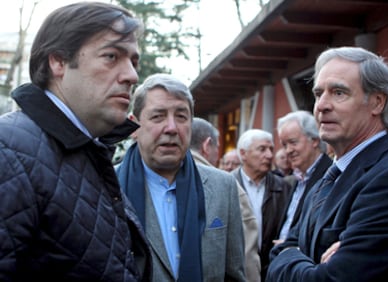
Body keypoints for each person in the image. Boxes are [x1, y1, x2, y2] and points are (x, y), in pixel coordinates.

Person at [0, 2, 152, 281]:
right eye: (111, 56)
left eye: (133, 61)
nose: (132, 75)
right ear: (57, 62)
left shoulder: (89, 151)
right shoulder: (9, 150)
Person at [266, 46, 388, 281]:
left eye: (338, 92)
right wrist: (294, 255)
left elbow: (332, 278)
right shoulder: (327, 178)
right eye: (318, 94)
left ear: (377, 102)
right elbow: (277, 253)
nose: (321, 105)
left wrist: (291, 254)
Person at [116, 73, 245, 281]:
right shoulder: (106, 185)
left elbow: (234, 275)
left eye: (181, 117)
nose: (172, 128)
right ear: (134, 126)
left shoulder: (224, 186)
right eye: (158, 116)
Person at [190, 117, 261, 282]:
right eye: (218, 148)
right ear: (207, 146)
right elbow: (246, 256)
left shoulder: (158, 178)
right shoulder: (227, 185)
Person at [231, 129, 292, 281]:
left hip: (273, 270)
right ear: (243, 154)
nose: (269, 155)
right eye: (262, 149)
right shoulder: (227, 185)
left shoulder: (284, 188)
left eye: (271, 149)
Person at [273, 110, 332, 246]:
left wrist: (290, 246)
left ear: (315, 140)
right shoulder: (297, 180)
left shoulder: (330, 177)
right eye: (284, 145)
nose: (288, 150)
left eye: (293, 142)